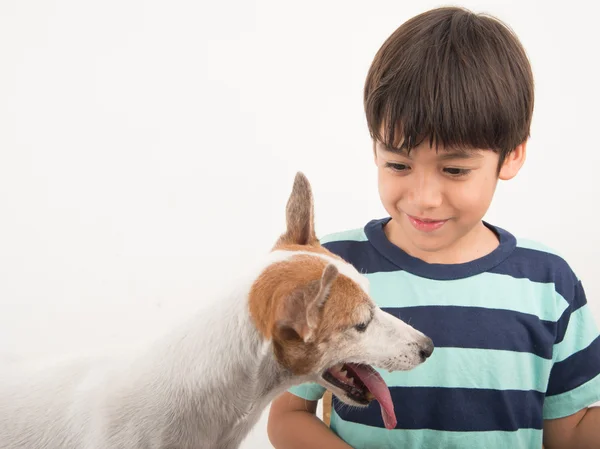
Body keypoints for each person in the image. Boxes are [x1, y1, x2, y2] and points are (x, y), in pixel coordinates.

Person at [266, 6, 600, 449]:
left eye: (455, 170)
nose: (423, 196)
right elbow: (287, 414)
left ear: (512, 154)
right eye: (399, 164)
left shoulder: (548, 282)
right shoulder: (337, 269)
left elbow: (571, 432)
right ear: (374, 149)